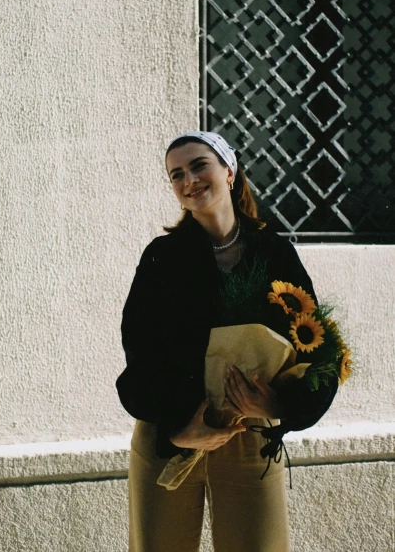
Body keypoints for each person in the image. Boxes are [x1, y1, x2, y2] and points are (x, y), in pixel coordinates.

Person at [116, 131, 338, 552]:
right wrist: (179, 431)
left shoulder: (274, 254)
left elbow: (318, 348)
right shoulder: (161, 257)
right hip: (171, 436)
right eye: (176, 174)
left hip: (250, 433)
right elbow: (139, 352)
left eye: (199, 165)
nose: (189, 180)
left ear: (229, 171)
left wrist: (278, 406)